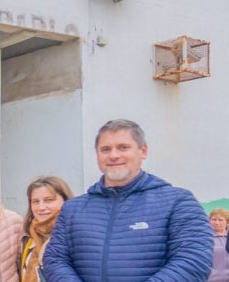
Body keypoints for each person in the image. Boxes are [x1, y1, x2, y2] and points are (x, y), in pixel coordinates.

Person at [44, 119, 213, 281]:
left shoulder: (178, 202)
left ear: (143, 151)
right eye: (105, 149)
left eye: (123, 147)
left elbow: (193, 261)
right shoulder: (73, 208)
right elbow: (55, 259)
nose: (114, 155)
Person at [18, 176, 74, 282]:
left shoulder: (75, 235)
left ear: (66, 201)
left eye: (49, 200)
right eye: (35, 201)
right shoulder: (27, 239)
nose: (41, 207)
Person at [208, 208, 229, 282]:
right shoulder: (205, 238)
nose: (216, 223)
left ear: (227, 222)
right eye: (214, 219)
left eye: (220, 220)